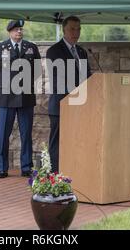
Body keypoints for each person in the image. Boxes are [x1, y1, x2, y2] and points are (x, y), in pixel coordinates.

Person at [0, 19, 41, 178]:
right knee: (4, 134)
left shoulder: (31, 48)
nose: (19, 32)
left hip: (25, 97)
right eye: (16, 29)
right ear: (9, 32)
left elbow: (37, 70)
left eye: (20, 29)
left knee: (26, 134)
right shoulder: (0, 48)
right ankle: (2, 168)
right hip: (6, 97)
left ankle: (26, 167)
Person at [46, 16, 92, 173]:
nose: (76, 32)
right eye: (72, 28)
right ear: (63, 29)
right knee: (57, 144)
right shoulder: (54, 51)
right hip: (61, 107)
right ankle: (55, 177)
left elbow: (88, 77)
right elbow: (62, 77)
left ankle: (74, 174)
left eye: (78, 29)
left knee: (76, 142)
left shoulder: (82, 52)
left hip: (80, 107)